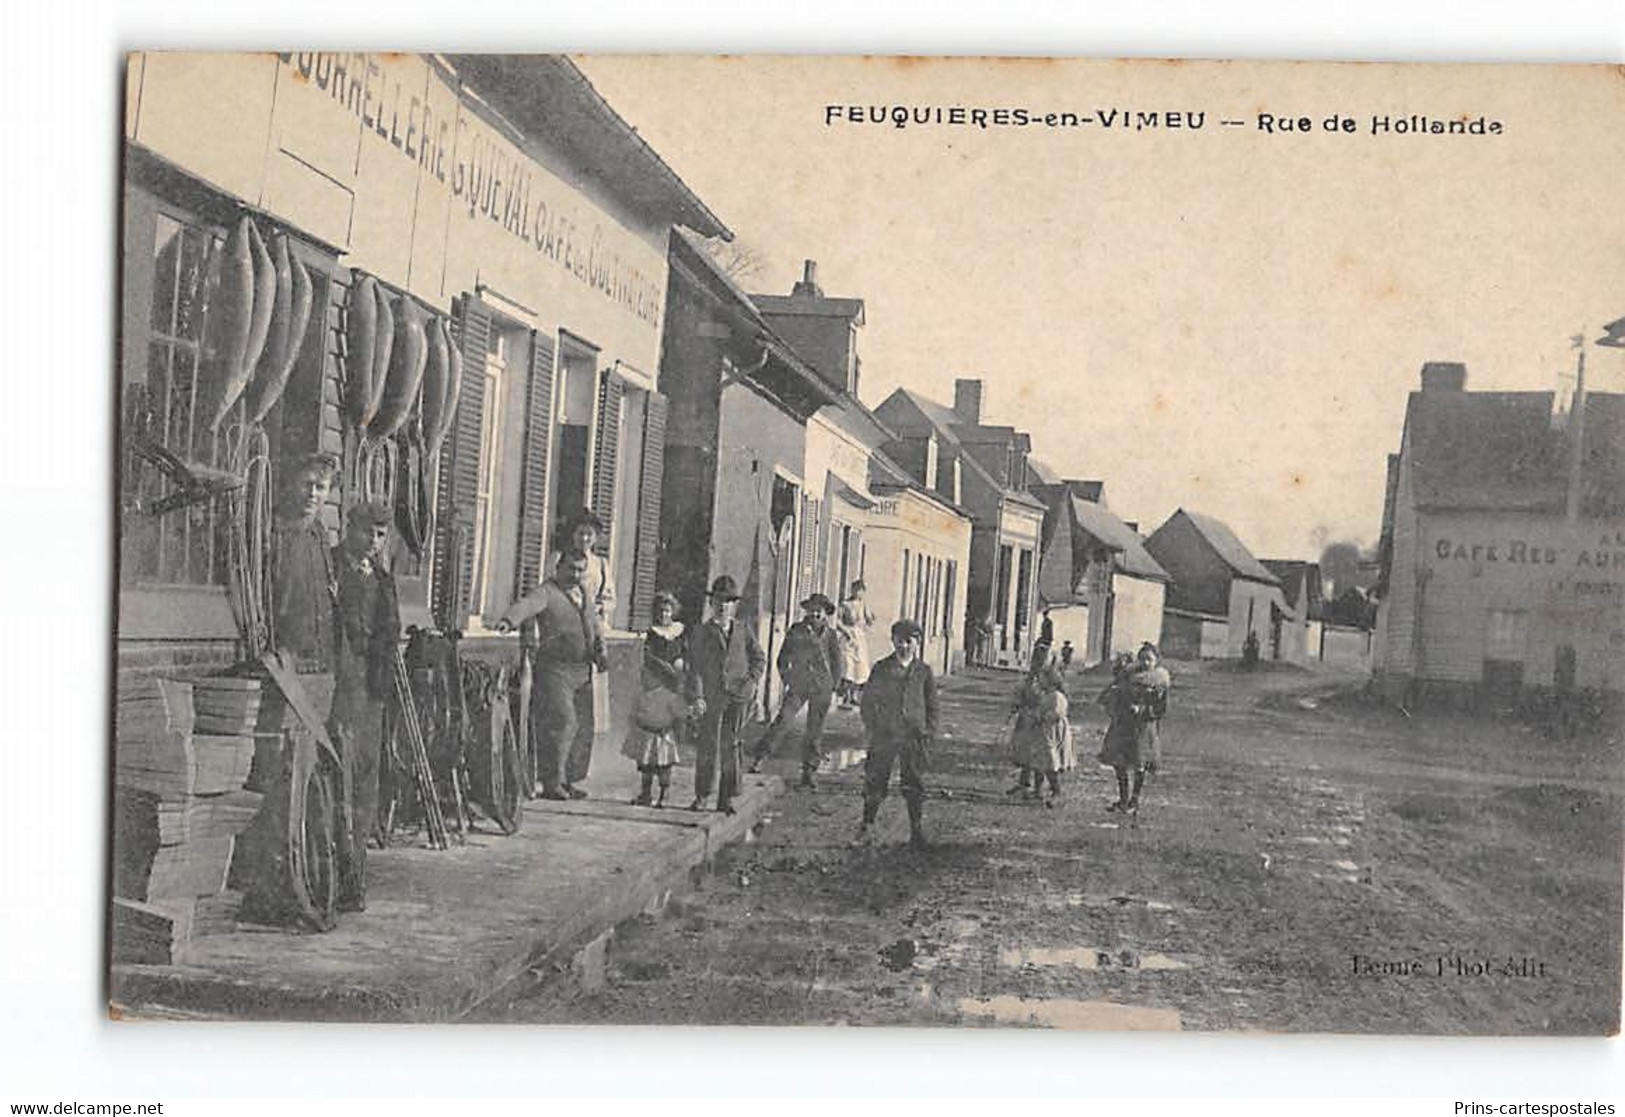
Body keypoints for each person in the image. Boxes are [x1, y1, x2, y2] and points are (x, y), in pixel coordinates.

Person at [329, 501, 401, 911]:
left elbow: (389, 635)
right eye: (365, 532)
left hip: (371, 690)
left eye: (379, 535)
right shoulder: (331, 567)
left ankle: (354, 873)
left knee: (365, 783)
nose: (372, 542)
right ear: (348, 528)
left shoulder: (384, 581)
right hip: (340, 685)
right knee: (340, 779)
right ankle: (335, 876)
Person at [496, 551, 606, 800]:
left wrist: (602, 650)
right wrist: (508, 620)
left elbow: (595, 625)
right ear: (558, 568)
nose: (575, 575)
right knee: (563, 722)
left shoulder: (585, 593)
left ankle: (569, 780)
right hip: (555, 669)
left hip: (583, 669)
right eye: (571, 569)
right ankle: (552, 782)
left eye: (580, 570)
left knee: (581, 727)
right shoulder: (546, 591)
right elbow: (526, 604)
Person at [687, 575, 765, 815]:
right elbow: (695, 667)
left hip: (738, 697)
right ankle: (701, 796)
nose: (723, 606)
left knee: (731, 746)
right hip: (712, 697)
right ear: (712, 603)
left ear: (734, 606)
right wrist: (698, 696)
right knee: (708, 745)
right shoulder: (702, 632)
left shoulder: (742, 630)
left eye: (729, 601)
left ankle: (726, 798)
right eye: (719, 600)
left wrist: (751, 681)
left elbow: (758, 658)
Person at [858, 619, 938, 847]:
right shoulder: (881, 668)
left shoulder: (924, 671)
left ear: (917, 643)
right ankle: (867, 826)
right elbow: (868, 703)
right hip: (885, 735)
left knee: (913, 783)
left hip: (913, 736)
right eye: (899, 641)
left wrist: (929, 733)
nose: (904, 646)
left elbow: (932, 706)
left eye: (909, 641)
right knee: (875, 780)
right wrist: (873, 728)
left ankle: (916, 830)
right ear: (892, 641)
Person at [752, 593, 843, 789]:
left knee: (814, 730)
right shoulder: (797, 631)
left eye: (820, 610)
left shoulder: (831, 636)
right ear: (807, 611)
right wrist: (789, 679)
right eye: (813, 609)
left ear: (826, 614)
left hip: (822, 686)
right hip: (799, 685)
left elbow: (838, 663)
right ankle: (760, 757)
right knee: (783, 720)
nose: (816, 614)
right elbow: (782, 659)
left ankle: (809, 772)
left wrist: (833, 684)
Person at [546, 509, 616, 737]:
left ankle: (580, 763)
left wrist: (596, 610)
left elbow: (609, 598)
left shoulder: (601, 565)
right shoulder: (560, 559)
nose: (584, 539)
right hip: (564, 630)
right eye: (580, 534)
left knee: (588, 706)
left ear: (596, 537)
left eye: (589, 535)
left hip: (592, 634)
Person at [622, 594, 693, 808]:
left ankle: (664, 794)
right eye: (661, 611)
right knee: (646, 745)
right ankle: (645, 792)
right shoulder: (652, 635)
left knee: (665, 746)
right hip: (653, 687)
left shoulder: (680, 632)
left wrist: (681, 665)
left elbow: (687, 655)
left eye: (668, 611)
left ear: (674, 612)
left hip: (672, 690)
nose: (665, 615)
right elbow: (648, 659)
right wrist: (662, 669)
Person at [1097, 643, 1172, 815]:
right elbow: (1114, 692)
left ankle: (1134, 800)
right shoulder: (1128, 675)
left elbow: (1162, 708)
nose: (1146, 663)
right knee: (1119, 762)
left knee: (1139, 763)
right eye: (1143, 658)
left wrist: (1144, 710)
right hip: (1124, 724)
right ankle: (1123, 799)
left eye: (1150, 659)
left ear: (1156, 661)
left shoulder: (1160, 680)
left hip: (1143, 727)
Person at [1007, 644, 1072, 806]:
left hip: (1046, 728)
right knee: (1029, 753)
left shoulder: (1054, 685)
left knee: (1043, 758)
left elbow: (1056, 709)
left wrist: (1038, 714)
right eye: (1037, 657)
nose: (1039, 661)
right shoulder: (1033, 677)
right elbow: (1023, 691)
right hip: (1033, 722)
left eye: (1043, 658)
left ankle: (1046, 789)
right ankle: (1029, 786)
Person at [835, 580, 875, 708]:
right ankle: (845, 696)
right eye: (855, 590)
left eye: (860, 591)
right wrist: (846, 631)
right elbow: (837, 621)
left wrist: (869, 620)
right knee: (848, 665)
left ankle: (853, 695)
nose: (857, 593)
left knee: (859, 667)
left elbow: (870, 620)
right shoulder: (845, 604)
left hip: (860, 637)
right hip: (848, 637)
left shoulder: (864, 605)